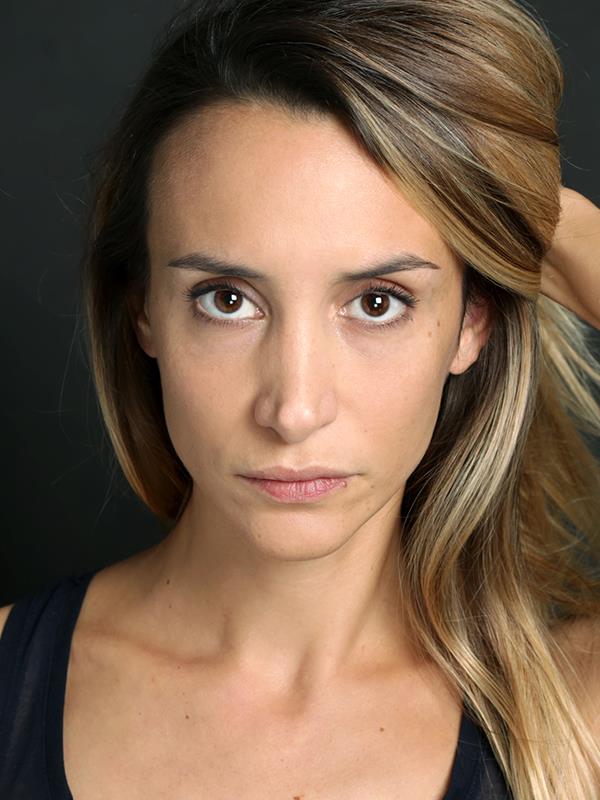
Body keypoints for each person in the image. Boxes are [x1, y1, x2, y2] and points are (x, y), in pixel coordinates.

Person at [1, 1, 600, 797]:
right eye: (226, 300)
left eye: (378, 302)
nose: (293, 410)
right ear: (144, 312)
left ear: (471, 323)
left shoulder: (571, 714)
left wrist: (559, 226)